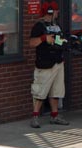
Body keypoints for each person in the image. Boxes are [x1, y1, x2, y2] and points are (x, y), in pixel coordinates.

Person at [29, 1, 70, 129]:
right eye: (56, 11)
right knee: (40, 92)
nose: (58, 13)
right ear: (51, 12)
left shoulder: (56, 25)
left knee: (56, 91)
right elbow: (31, 43)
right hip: (45, 64)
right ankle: (35, 117)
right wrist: (43, 39)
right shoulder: (39, 26)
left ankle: (54, 115)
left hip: (58, 62)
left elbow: (59, 40)